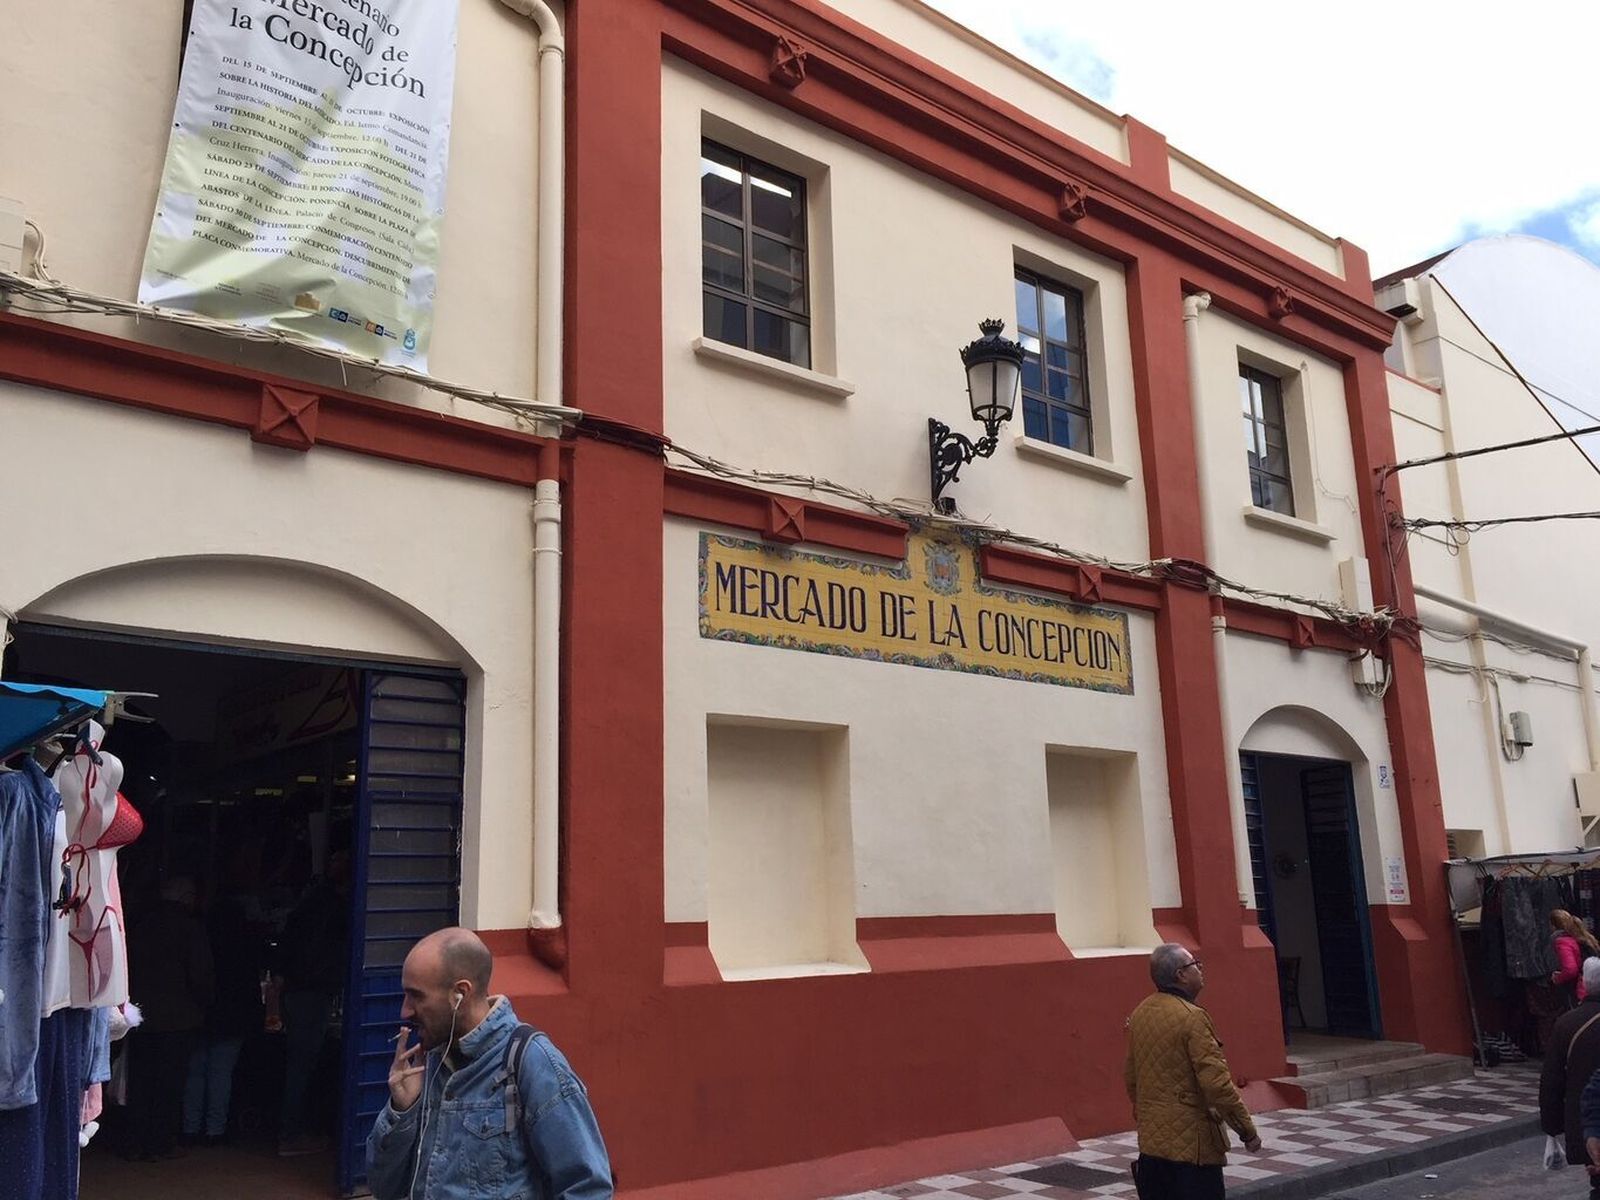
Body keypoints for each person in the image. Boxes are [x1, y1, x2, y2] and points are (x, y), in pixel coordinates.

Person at [366, 927, 613, 1200]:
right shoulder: (430, 1063)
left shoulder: (532, 1062)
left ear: (460, 993)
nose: (405, 1010)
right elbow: (384, 1187)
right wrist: (403, 1110)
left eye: (417, 996)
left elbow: (588, 1189)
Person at [1123, 943, 1261, 1200]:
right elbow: (1217, 1085)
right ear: (1180, 975)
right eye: (1194, 964)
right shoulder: (1193, 1018)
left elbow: (1131, 1078)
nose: (1200, 968)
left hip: (1153, 1146)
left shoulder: (1140, 1013)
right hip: (1192, 1150)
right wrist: (1247, 1131)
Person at [124, 876, 215, 1161]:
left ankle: (134, 1141)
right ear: (186, 897)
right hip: (177, 1019)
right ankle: (159, 1144)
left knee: (140, 1082)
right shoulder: (190, 929)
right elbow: (201, 975)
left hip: (140, 1017)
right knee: (169, 1084)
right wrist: (205, 1005)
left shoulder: (141, 924)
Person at [275, 847, 350, 1156]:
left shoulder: (307, 905)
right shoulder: (331, 907)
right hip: (312, 991)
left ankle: (293, 1132)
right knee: (303, 1065)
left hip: (299, 989)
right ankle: (291, 1135)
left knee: (299, 1064)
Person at [1542, 958, 1600, 1184]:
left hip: (1587, 1126)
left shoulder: (1567, 1023)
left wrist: (1552, 1126)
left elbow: (1552, 1080)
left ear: (1584, 983)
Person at [1553, 910, 1600, 1003]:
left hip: (1583, 987)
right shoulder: (1589, 939)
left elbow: (1570, 969)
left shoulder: (1564, 942)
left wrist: (1557, 978)